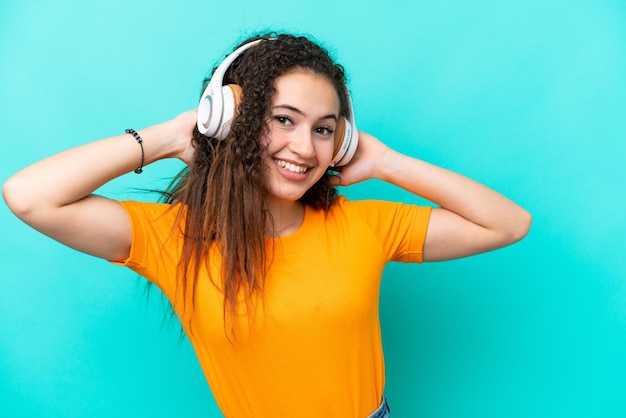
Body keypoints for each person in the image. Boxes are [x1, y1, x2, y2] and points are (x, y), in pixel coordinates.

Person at [2, 33, 531, 417]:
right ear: (230, 119)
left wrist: (387, 162)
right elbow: (28, 197)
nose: (305, 148)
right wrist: (167, 137)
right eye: (283, 119)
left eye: (325, 130)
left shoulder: (365, 224)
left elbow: (508, 224)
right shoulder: (173, 238)